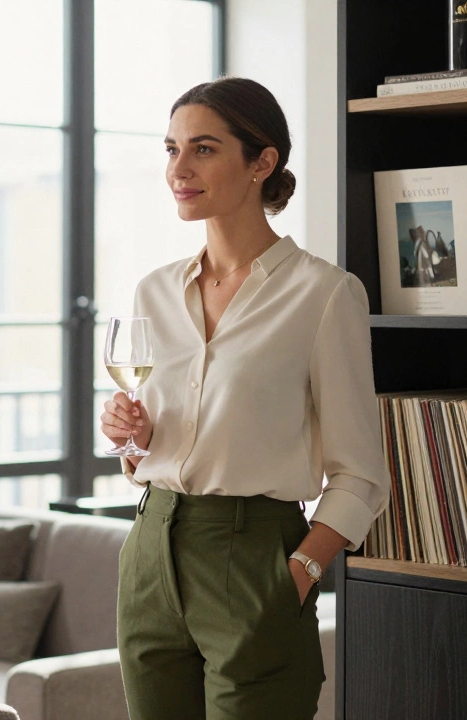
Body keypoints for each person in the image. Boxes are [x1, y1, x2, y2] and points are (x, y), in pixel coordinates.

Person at [100, 77, 390, 719]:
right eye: (171, 148)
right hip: (152, 549)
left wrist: (300, 574)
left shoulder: (323, 294)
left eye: (203, 149)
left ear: (263, 161)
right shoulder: (155, 292)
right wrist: (135, 438)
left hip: (255, 553)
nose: (179, 168)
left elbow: (361, 473)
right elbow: (163, 443)